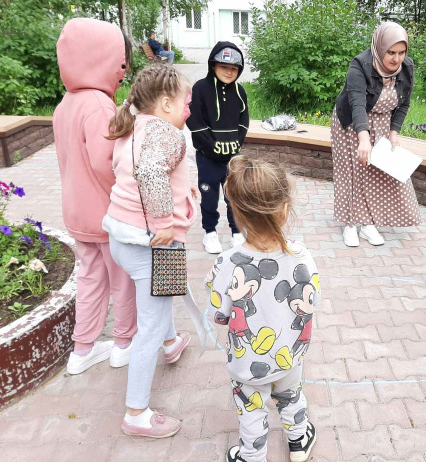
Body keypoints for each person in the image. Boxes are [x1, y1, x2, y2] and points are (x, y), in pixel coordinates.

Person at [206, 155, 319, 462]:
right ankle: (299, 442)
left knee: (251, 409)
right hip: (289, 355)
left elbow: (219, 314)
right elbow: (313, 300)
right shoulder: (301, 255)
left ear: (236, 211)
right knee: (291, 397)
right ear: (284, 209)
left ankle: (252, 456)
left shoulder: (227, 262)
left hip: (247, 361)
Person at [103, 64, 196, 437]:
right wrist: (163, 223)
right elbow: (152, 173)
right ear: (166, 103)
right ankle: (136, 413)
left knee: (160, 299)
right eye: (186, 100)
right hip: (154, 244)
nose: (189, 107)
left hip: (120, 237)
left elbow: (131, 171)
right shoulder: (168, 133)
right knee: (150, 325)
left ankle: (171, 344)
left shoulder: (132, 126)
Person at [53, 17, 137, 375]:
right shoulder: (99, 106)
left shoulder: (66, 104)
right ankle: (124, 343)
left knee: (90, 279)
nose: (122, 73)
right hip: (106, 218)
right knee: (123, 281)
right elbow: (107, 165)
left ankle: (82, 349)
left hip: (77, 215)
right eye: (120, 64)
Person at [331, 21, 421, 248]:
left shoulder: (407, 68)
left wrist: (394, 132)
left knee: (375, 174)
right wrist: (363, 139)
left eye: (401, 52)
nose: (396, 59)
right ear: (380, 48)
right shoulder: (360, 65)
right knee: (353, 171)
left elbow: (404, 103)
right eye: (391, 52)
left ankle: (368, 224)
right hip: (351, 123)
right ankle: (350, 224)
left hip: (382, 122)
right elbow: (357, 103)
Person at [187, 42, 249, 254]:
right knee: (209, 196)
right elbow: (194, 120)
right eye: (224, 67)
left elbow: (244, 120)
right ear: (213, 65)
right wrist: (211, 147)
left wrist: (237, 142)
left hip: (232, 157)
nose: (229, 72)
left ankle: (236, 232)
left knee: (234, 195)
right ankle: (210, 232)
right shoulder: (200, 88)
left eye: (234, 68)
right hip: (208, 157)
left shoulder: (240, 91)